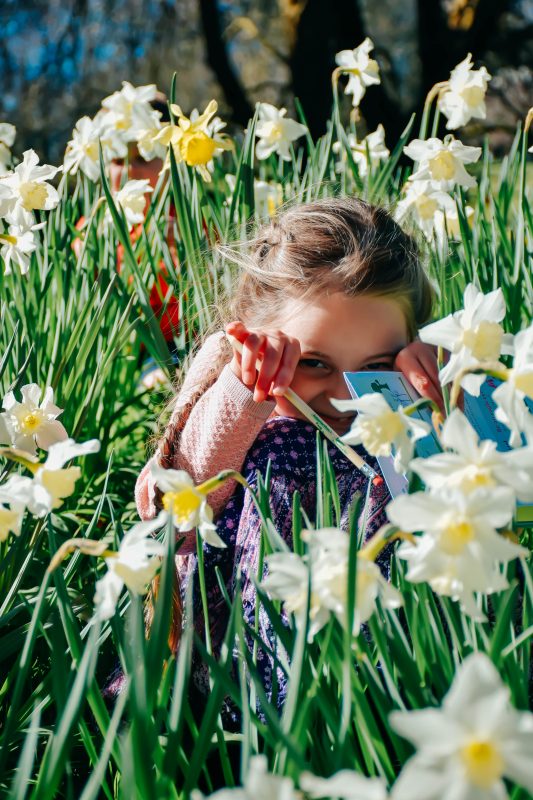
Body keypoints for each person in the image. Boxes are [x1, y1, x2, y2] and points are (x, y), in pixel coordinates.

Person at [132, 196, 441, 721]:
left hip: (385, 667)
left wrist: (440, 398)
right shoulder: (237, 390)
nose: (344, 395)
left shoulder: (404, 401)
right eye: (314, 362)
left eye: (376, 365)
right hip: (236, 670)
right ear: (252, 340)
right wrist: (243, 390)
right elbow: (172, 513)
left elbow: (461, 496)